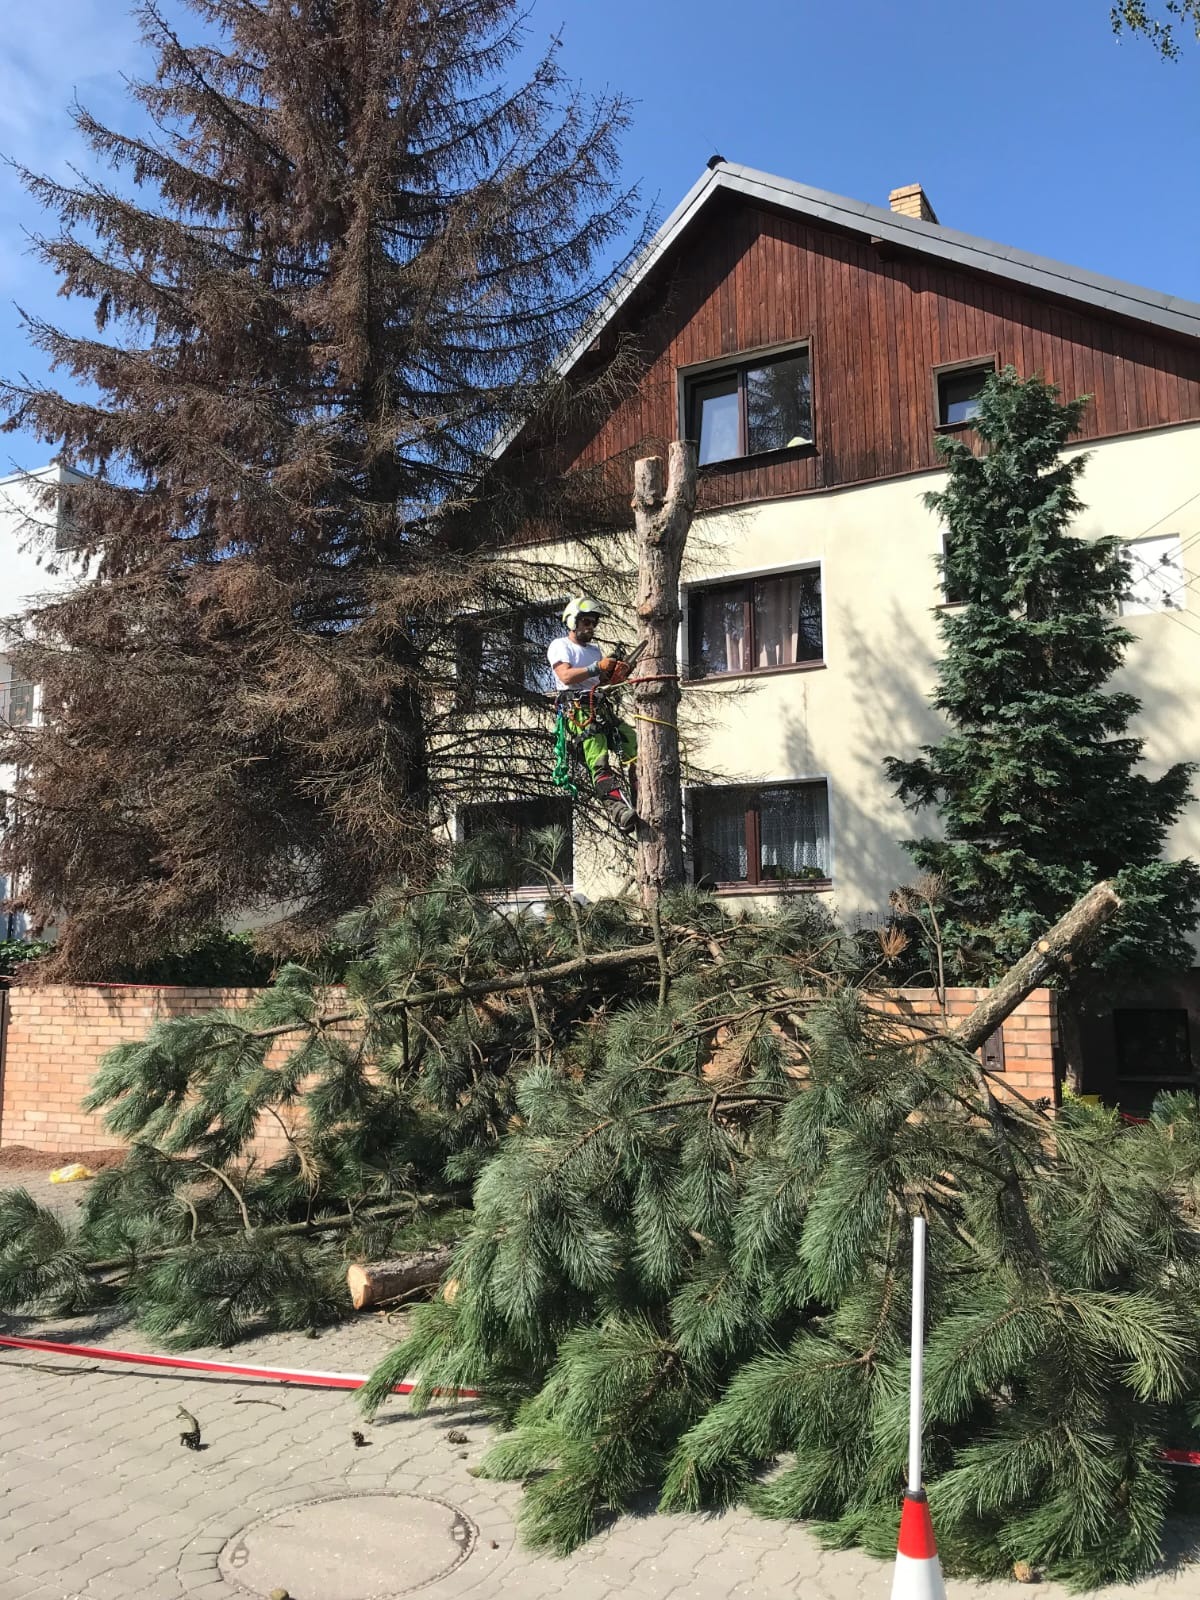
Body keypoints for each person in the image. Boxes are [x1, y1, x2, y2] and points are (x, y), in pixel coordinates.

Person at [547, 596, 638, 832]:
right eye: (586, 622)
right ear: (572, 622)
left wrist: (615, 673)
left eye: (593, 623)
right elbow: (566, 676)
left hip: (600, 706)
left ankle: (642, 795)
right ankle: (618, 811)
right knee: (599, 760)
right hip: (578, 711)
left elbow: (600, 681)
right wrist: (597, 667)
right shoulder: (560, 646)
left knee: (631, 742)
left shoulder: (595, 650)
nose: (590, 627)